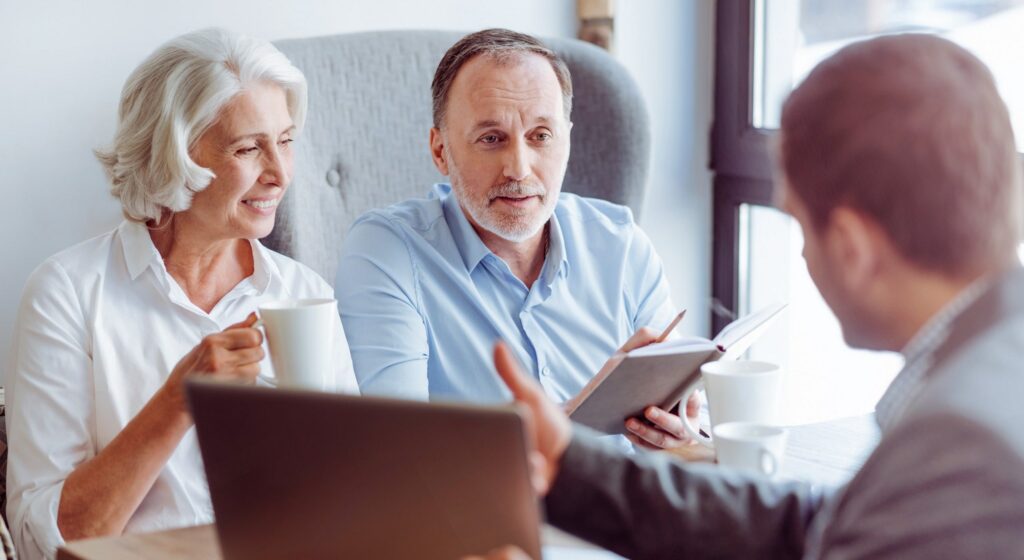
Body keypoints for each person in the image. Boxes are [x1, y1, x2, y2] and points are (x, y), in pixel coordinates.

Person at [482, 34, 1024, 559]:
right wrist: (573, 465)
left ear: (854, 248)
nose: (805, 257)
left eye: (800, 226)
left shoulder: (963, 445)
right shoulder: (993, 363)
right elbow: (820, 527)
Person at [6, 28, 358, 560]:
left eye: (286, 141)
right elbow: (42, 545)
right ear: (175, 156)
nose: (281, 174)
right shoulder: (68, 295)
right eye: (248, 148)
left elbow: (356, 500)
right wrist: (178, 400)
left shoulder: (304, 294)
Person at [335, 28, 695, 450]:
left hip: (626, 510)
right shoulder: (386, 251)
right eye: (491, 139)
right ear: (440, 151)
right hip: (479, 516)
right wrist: (589, 412)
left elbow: (683, 431)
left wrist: (677, 429)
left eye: (541, 136)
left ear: (567, 139)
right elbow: (400, 452)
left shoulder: (621, 243)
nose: (519, 169)